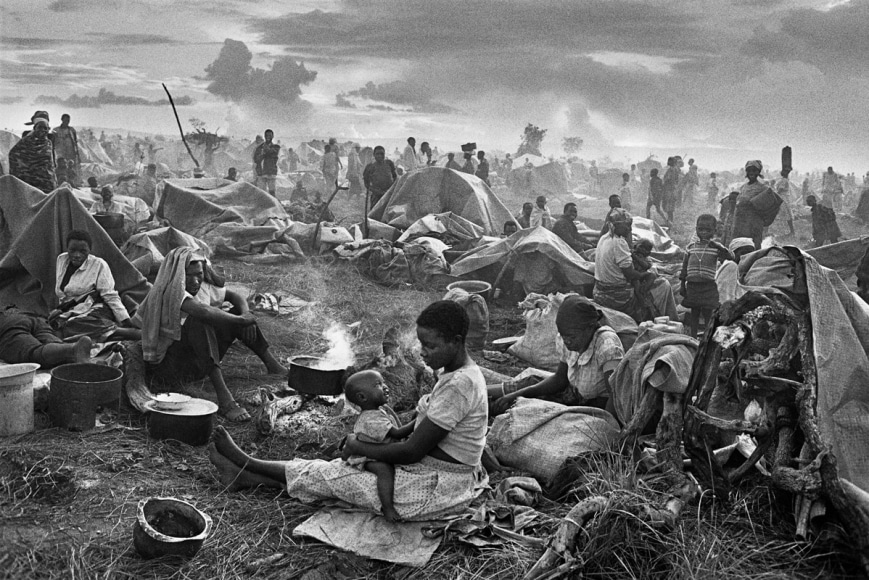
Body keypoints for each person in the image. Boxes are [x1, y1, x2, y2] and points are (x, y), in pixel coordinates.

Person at [207, 300, 489, 523]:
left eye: (430, 345)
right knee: (338, 472)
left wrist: (357, 445)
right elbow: (418, 430)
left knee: (337, 475)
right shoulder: (455, 375)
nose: (423, 352)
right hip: (433, 471)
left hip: (436, 486)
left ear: (456, 340)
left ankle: (247, 463)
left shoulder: (460, 384)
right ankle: (246, 476)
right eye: (421, 343)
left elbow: (411, 451)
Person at [132, 247, 287, 422]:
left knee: (234, 313)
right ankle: (225, 400)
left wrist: (244, 314)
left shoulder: (202, 287)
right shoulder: (169, 291)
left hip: (197, 362)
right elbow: (203, 312)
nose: (196, 280)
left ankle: (272, 365)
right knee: (199, 321)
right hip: (171, 368)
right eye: (189, 275)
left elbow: (235, 296)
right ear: (178, 275)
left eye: (199, 274)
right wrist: (243, 321)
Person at [489, 295, 624, 413]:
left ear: (589, 327)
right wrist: (517, 395)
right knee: (530, 385)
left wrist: (607, 428)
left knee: (534, 411)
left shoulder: (607, 346)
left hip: (596, 407)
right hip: (573, 396)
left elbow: (616, 396)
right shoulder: (567, 339)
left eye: (571, 337)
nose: (567, 341)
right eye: (564, 336)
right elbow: (560, 379)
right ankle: (481, 395)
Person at [51, 229, 139, 342]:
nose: (77, 255)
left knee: (74, 324)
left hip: (96, 309)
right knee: (56, 326)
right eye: (72, 250)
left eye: (83, 251)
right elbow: (62, 295)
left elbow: (110, 296)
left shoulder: (99, 265)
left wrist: (125, 320)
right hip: (71, 310)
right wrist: (61, 310)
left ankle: (125, 332)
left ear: (89, 250)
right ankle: (106, 335)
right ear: (67, 248)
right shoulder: (61, 260)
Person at [592, 208, 677, 323]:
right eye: (627, 225)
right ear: (617, 225)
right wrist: (646, 275)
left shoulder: (604, 238)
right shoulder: (619, 242)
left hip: (599, 291)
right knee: (664, 285)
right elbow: (630, 274)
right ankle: (663, 320)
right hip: (618, 296)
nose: (630, 229)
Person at [343, 370, 403, 521]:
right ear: (362, 397)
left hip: (377, 449)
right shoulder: (371, 418)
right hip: (367, 456)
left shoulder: (379, 411)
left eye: (383, 382)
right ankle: (387, 508)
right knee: (384, 470)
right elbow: (396, 433)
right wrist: (419, 421)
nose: (386, 387)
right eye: (378, 385)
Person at [679, 215, 733, 337]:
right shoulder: (691, 248)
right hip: (693, 285)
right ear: (696, 229)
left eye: (708, 230)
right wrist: (682, 285)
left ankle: (707, 337)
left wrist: (719, 246)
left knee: (708, 311)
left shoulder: (715, 248)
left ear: (714, 231)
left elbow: (730, 257)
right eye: (700, 229)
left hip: (708, 285)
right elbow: (684, 268)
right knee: (694, 312)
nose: (703, 232)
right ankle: (692, 336)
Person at [0, 307, 92, 368]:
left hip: (8, 324)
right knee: (54, 346)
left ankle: (72, 350)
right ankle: (73, 354)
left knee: (31, 353)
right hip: (35, 318)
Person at [732, 160, 775, 249]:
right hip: (740, 222)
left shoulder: (763, 188)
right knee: (740, 245)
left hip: (754, 223)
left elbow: (772, 205)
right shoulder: (743, 187)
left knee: (753, 246)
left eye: (754, 170)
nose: (751, 173)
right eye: (749, 170)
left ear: (758, 172)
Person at [9, 115, 56, 193]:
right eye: (40, 127)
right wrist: (24, 171)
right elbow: (13, 155)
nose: (42, 130)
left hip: (47, 182)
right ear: (34, 128)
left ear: (48, 130)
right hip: (30, 181)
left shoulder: (48, 143)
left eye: (45, 128)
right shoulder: (25, 142)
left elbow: (51, 165)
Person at [715, 237, 755, 305]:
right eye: (743, 253)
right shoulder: (730, 266)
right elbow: (725, 297)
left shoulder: (750, 271)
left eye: (751, 253)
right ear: (733, 254)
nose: (747, 256)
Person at [253, 129, 280, 196]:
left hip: (271, 172)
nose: (268, 137)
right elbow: (256, 159)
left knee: (272, 192)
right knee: (262, 193)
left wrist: (264, 152)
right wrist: (264, 153)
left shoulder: (276, 147)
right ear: (264, 136)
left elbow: (273, 153)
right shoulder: (259, 148)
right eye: (267, 135)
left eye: (270, 135)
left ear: (272, 136)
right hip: (261, 172)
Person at [775, 168, 796, 237]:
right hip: (784, 198)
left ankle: (792, 231)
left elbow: (780, 189)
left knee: (786, 214)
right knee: (787, 215)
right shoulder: (785, 180)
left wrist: (775, 194)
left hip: (783, 198)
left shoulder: (784, 180)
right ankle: (791, 231)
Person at [661, 157, 680, 224]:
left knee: (669, 207)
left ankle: (670, 222)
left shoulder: (672, 170)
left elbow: (668, 179)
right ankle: (670, 222)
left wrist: (663, 185)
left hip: (669, 189)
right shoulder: (675, 169)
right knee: (670, 207)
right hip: (671, 189)